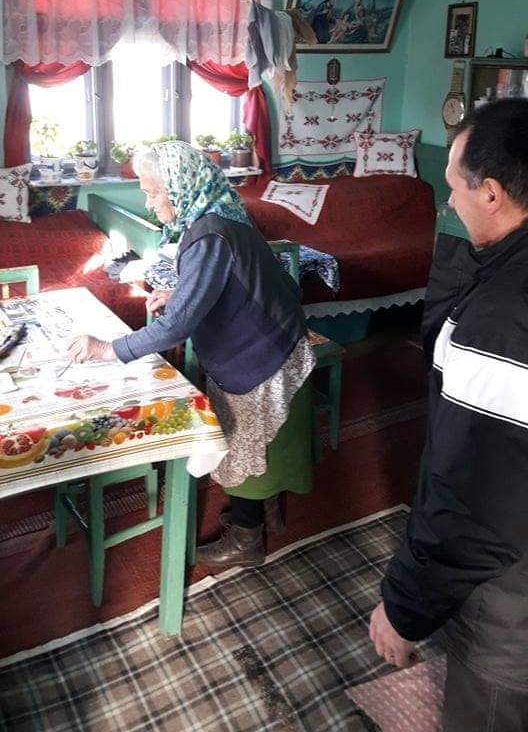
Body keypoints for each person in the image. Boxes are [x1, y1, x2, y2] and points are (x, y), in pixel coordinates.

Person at [69, 141, 315, 569]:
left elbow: (175, 328)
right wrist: (178, 295)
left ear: (181, 187)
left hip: (259, 353)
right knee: (263, 440)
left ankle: (247, 538)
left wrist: (107, 348)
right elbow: (226, 280)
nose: (149, 204)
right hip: (275, 336)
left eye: (153, 193)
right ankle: (267, 511)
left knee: (242, 440)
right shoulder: (220, 215)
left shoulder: (208, 235)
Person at [369, 100, 528, 731]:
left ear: (491, 194)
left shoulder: (500, 321)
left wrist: (404, 607)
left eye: (455, 187)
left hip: (510, 600)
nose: (448, 202)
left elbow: (473, 500)